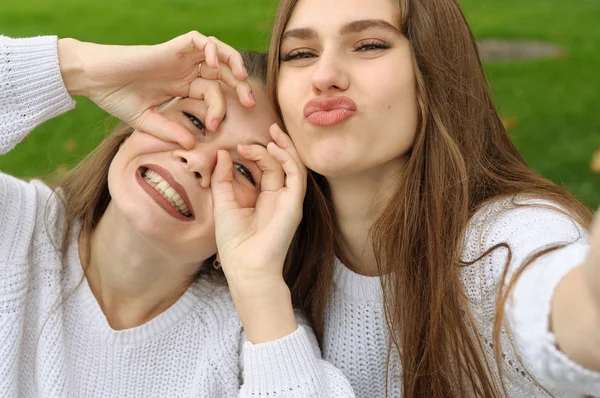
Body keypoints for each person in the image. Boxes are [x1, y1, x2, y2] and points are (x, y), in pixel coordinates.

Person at [243, 0, 600, 396]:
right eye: (300, 54)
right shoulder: (255, 243)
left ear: (434, 69)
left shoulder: (502, 240)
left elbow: (567, 308)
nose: (324, 76)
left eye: (369, 46)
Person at [0, 33, 354, 397]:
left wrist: (257, 283)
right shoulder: (15, 225)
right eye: (194, 121)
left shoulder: (259, 341)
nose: (198, 161)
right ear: (139, 118)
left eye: (244, 171)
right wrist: (78, 68)